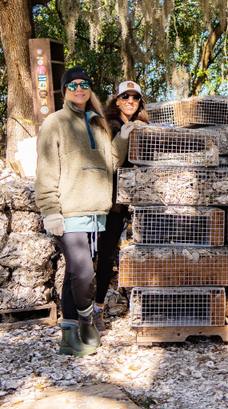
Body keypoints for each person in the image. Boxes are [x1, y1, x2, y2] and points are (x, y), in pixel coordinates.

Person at [35, 67, 134, 357]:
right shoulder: (55, 122)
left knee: (72, 276)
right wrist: (50, 210)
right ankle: (87, 320)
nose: (79, 89)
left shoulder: (98, 122)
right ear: (64, 90)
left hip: (95, 214)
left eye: (84, 84)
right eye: (73, 85)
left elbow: (112, 161)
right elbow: (46, 170)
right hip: (67, 212)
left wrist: (123, 136)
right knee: (84, 272)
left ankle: (68, 337)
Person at [93, 81, 149, 331]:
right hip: (109, 203)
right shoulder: (108, 125)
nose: (130, 101)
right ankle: (95, 310)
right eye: (125, 96)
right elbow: (109, 162)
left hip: (131, 203)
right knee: (102, 256)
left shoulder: (140, 125)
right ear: (116, 100)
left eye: (135, 98)